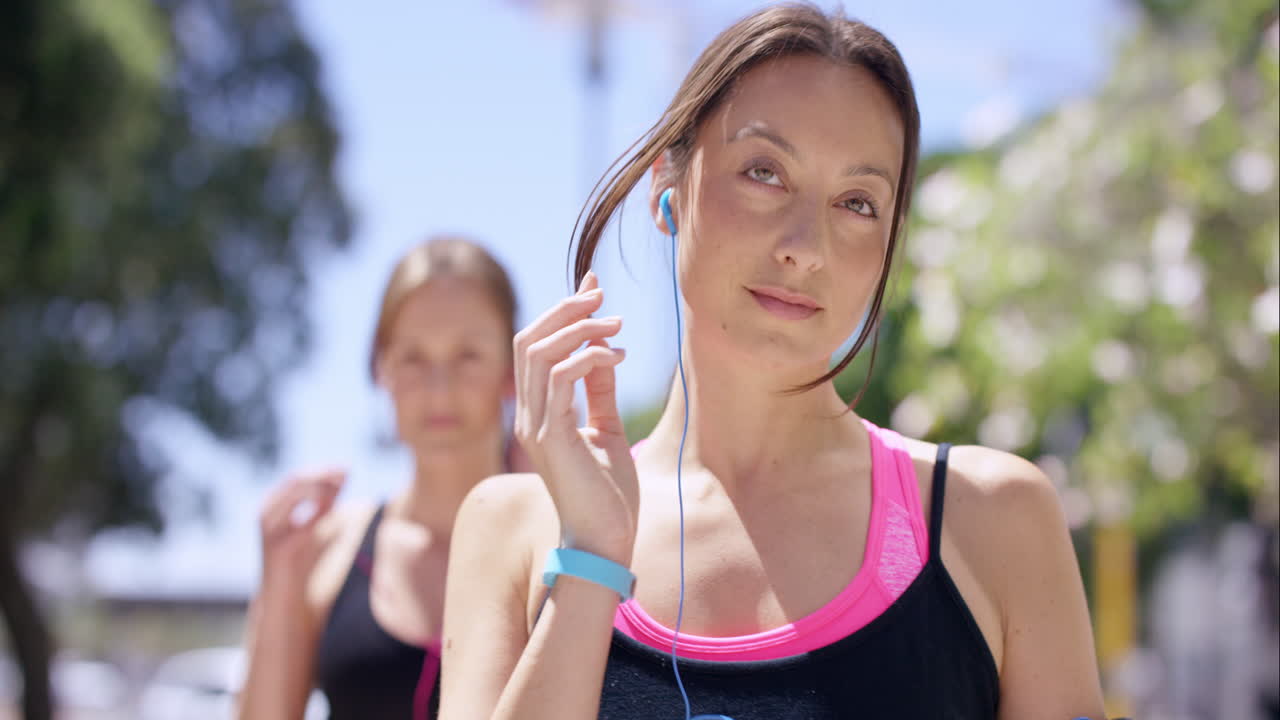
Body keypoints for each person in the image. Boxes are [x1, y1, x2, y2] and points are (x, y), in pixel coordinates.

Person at [439, 4, 1108, 719]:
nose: (805, 246)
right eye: (765, 172)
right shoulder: (517, 531)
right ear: (668, 182)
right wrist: (593, 560)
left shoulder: (992, 520)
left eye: (857, 203)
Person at [238, 237, 520, 720]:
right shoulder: (323, 550)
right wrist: (277, 585)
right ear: (380, 369)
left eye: (467, 355)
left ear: (512, 370)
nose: (440, 387)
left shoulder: (566, 544)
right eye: (413, 357)